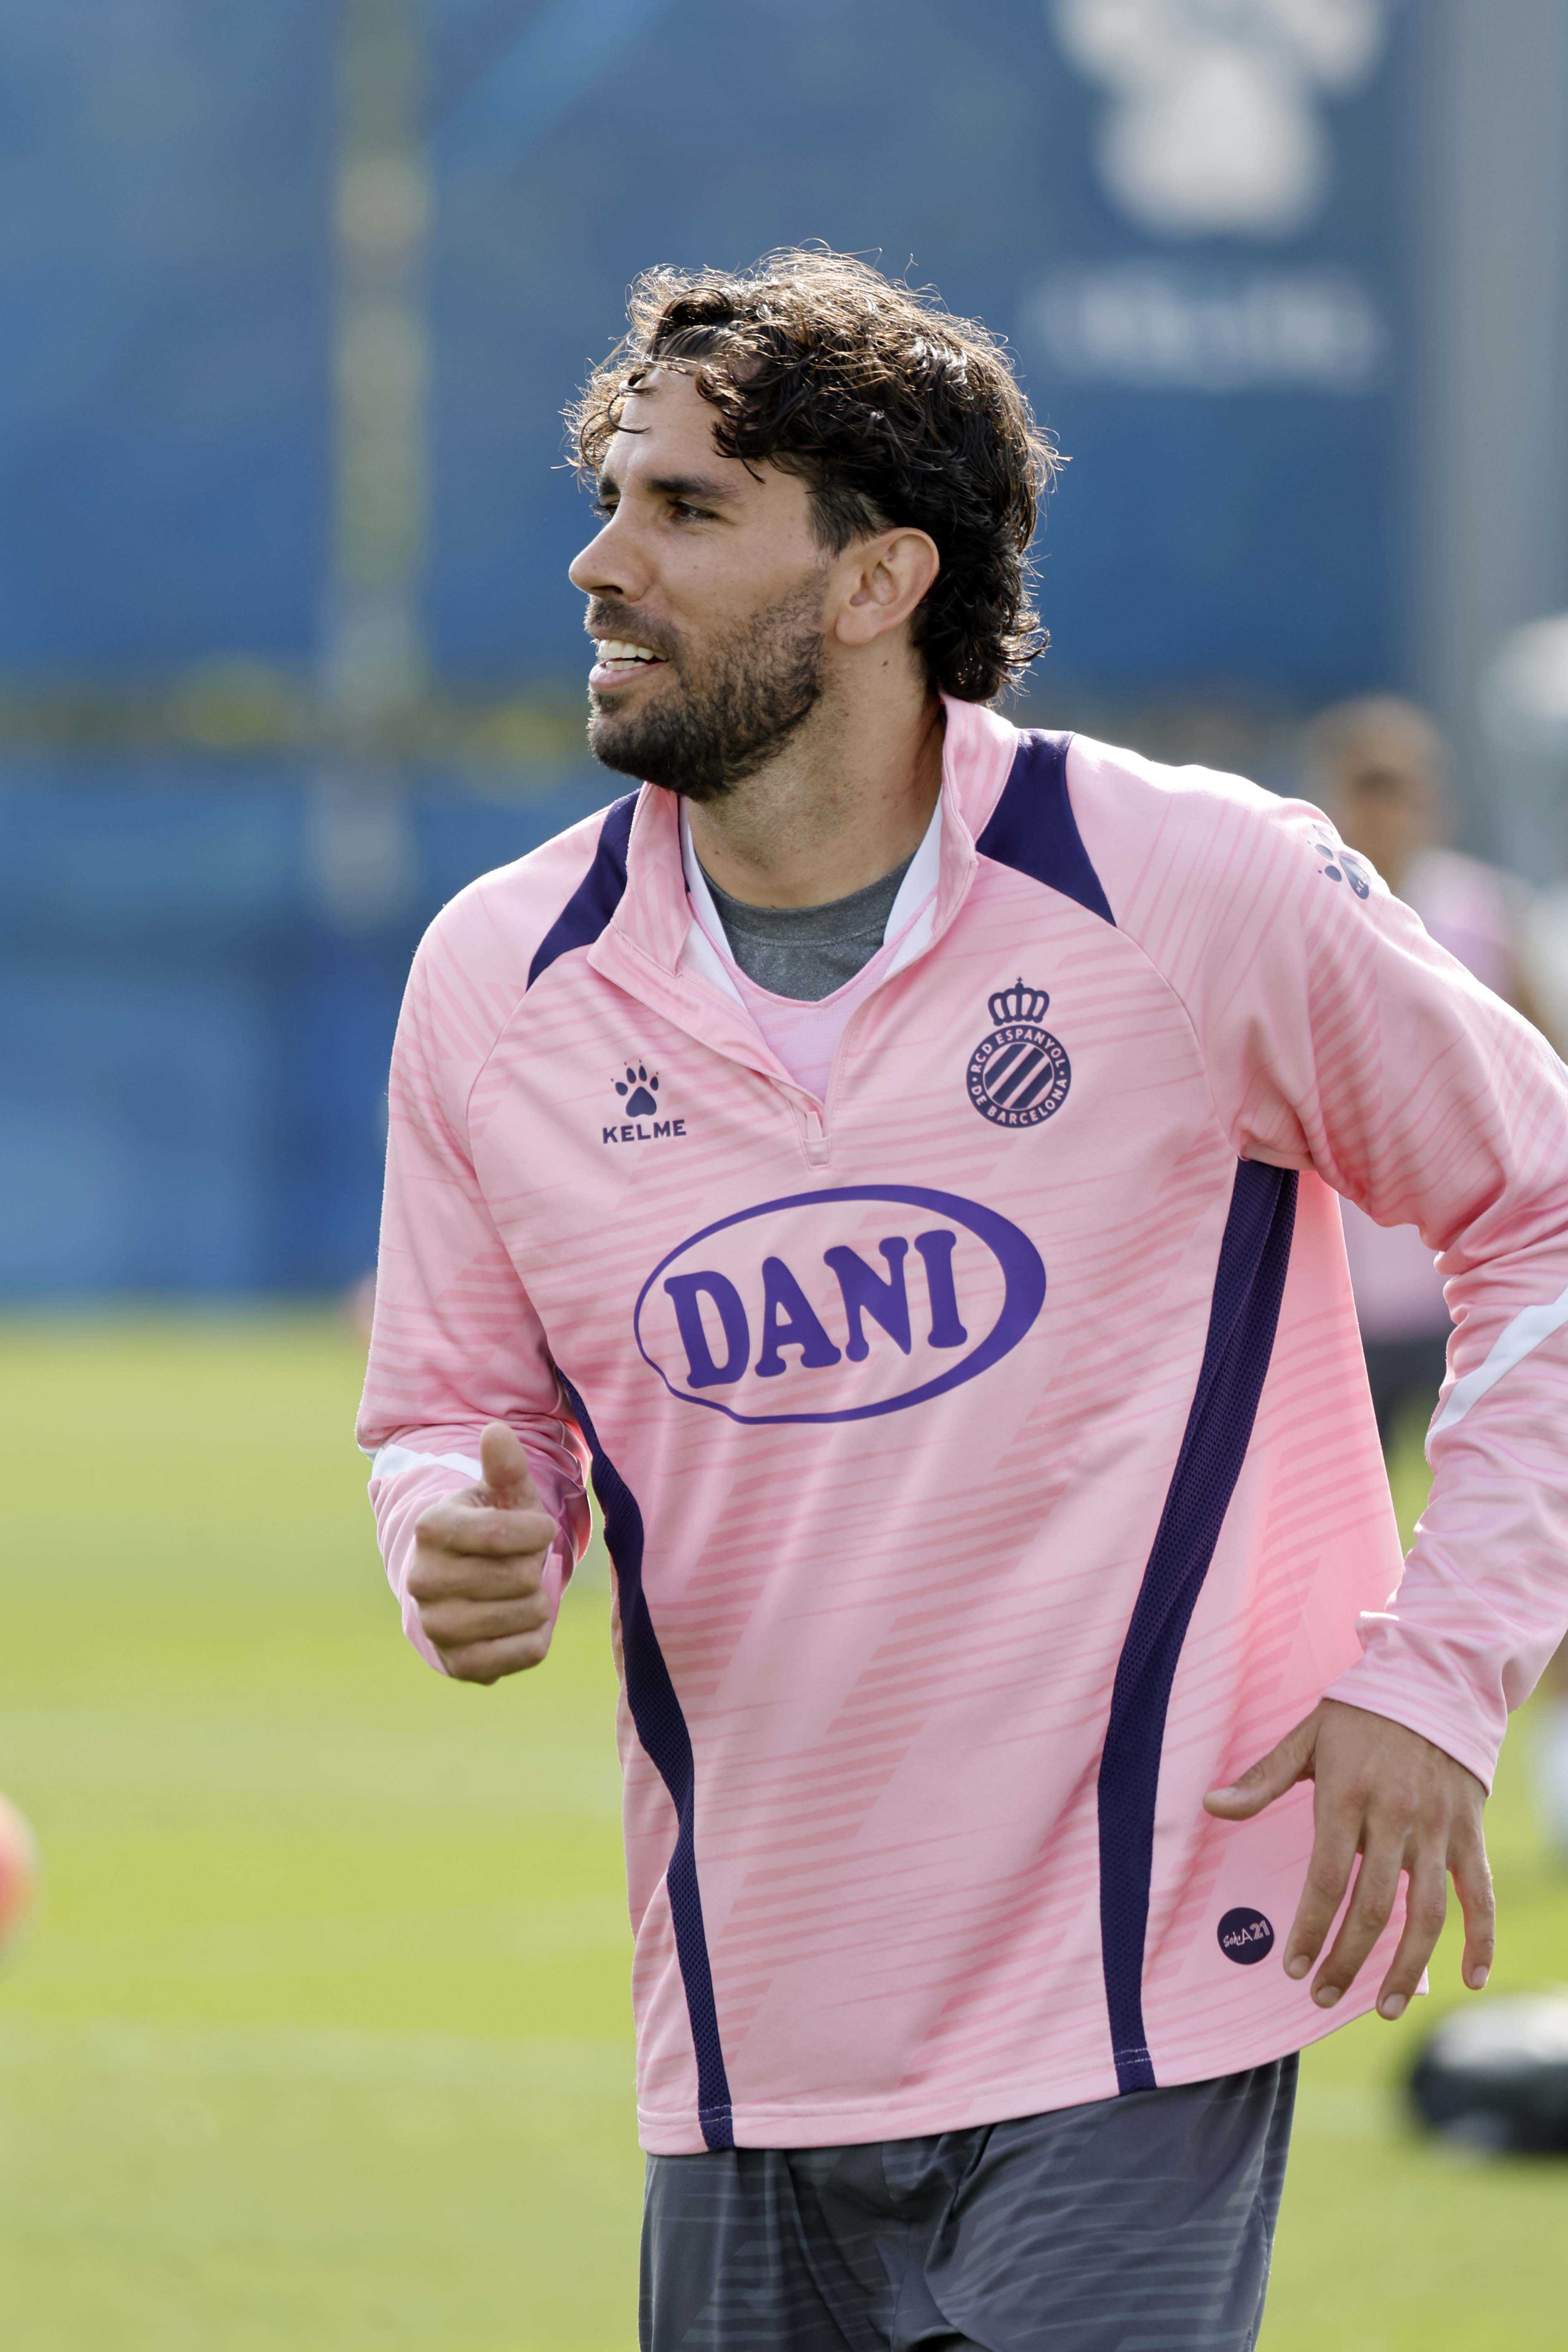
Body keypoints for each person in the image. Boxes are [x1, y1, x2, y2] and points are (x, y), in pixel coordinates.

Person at [357, 251, 1568, 2351]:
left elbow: (1542, 1210)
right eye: (612, 497)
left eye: (686, 507)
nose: (600, 562)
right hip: (744, 2021)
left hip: (1135, 1989)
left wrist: (1439, 1672)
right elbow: (453, 1409)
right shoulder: (496, 978)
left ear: (877, 578)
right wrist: (461, 1532)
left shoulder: (1189, 881)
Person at [1305, 698, 1568, 1869]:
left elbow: (1544, 1081)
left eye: (1400, 788)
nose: (1384, 810)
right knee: (1330, 1560)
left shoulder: (1481, 917)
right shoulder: (1302, 909)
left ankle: (1552, 1777)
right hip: (1343, 1308)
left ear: (1430, 800)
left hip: (1470, 1301)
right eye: (1365, 787)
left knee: (1517, 1526)